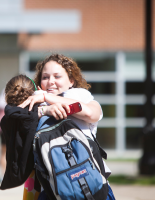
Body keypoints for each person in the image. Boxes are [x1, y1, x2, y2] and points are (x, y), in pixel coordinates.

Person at [18, 53, 115, 200]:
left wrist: (47, 98)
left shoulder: (79, 95)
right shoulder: (34, 106)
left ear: (71, 80)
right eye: (45, 77)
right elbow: (13, 121)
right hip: (52, 190)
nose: (50, 81)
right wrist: (44, 108)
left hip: (92, 185)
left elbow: (90, 113)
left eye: (57, 76)